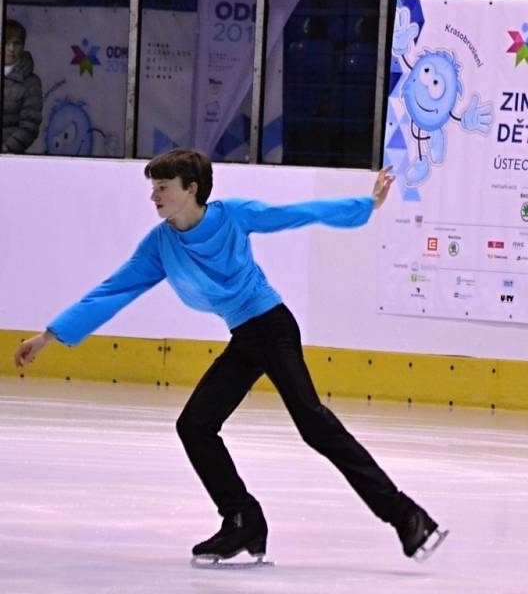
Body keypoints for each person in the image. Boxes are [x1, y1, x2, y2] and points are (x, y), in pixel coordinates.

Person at [13, 149, 447, 563]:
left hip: (272, 327)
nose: (154, 196)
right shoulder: (160, 245)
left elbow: (294, 214)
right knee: (195, 426)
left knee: (315, 424)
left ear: (192, 188)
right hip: (245, 335)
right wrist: (49, 336)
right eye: (153, 188)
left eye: (163, 187)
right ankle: (242, 519)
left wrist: (364, 205)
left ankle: (409, 517)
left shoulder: (231, 215)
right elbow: (113, 290)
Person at [2, 19, 43, 153]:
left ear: (23, 46)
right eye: (6, 42)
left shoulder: (31, 83)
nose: (11, 49)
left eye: (16, 43)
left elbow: (29, 125)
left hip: (9, 158)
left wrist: (7, 149)